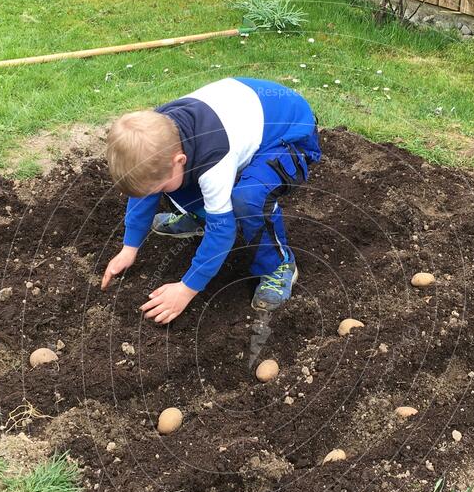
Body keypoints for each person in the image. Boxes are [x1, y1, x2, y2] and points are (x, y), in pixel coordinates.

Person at [101, 77, 321, 324]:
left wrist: (186, 289)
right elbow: (145, 191)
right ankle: (200, 216)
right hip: (243, 120)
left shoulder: (212, 160)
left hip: (291, 132)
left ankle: (278, 266)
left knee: (248, 198)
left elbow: (223, 231)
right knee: (170, 181)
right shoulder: (159, 139)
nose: (155, 192)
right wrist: (129, 248)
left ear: (180, 159)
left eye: (157, 189)